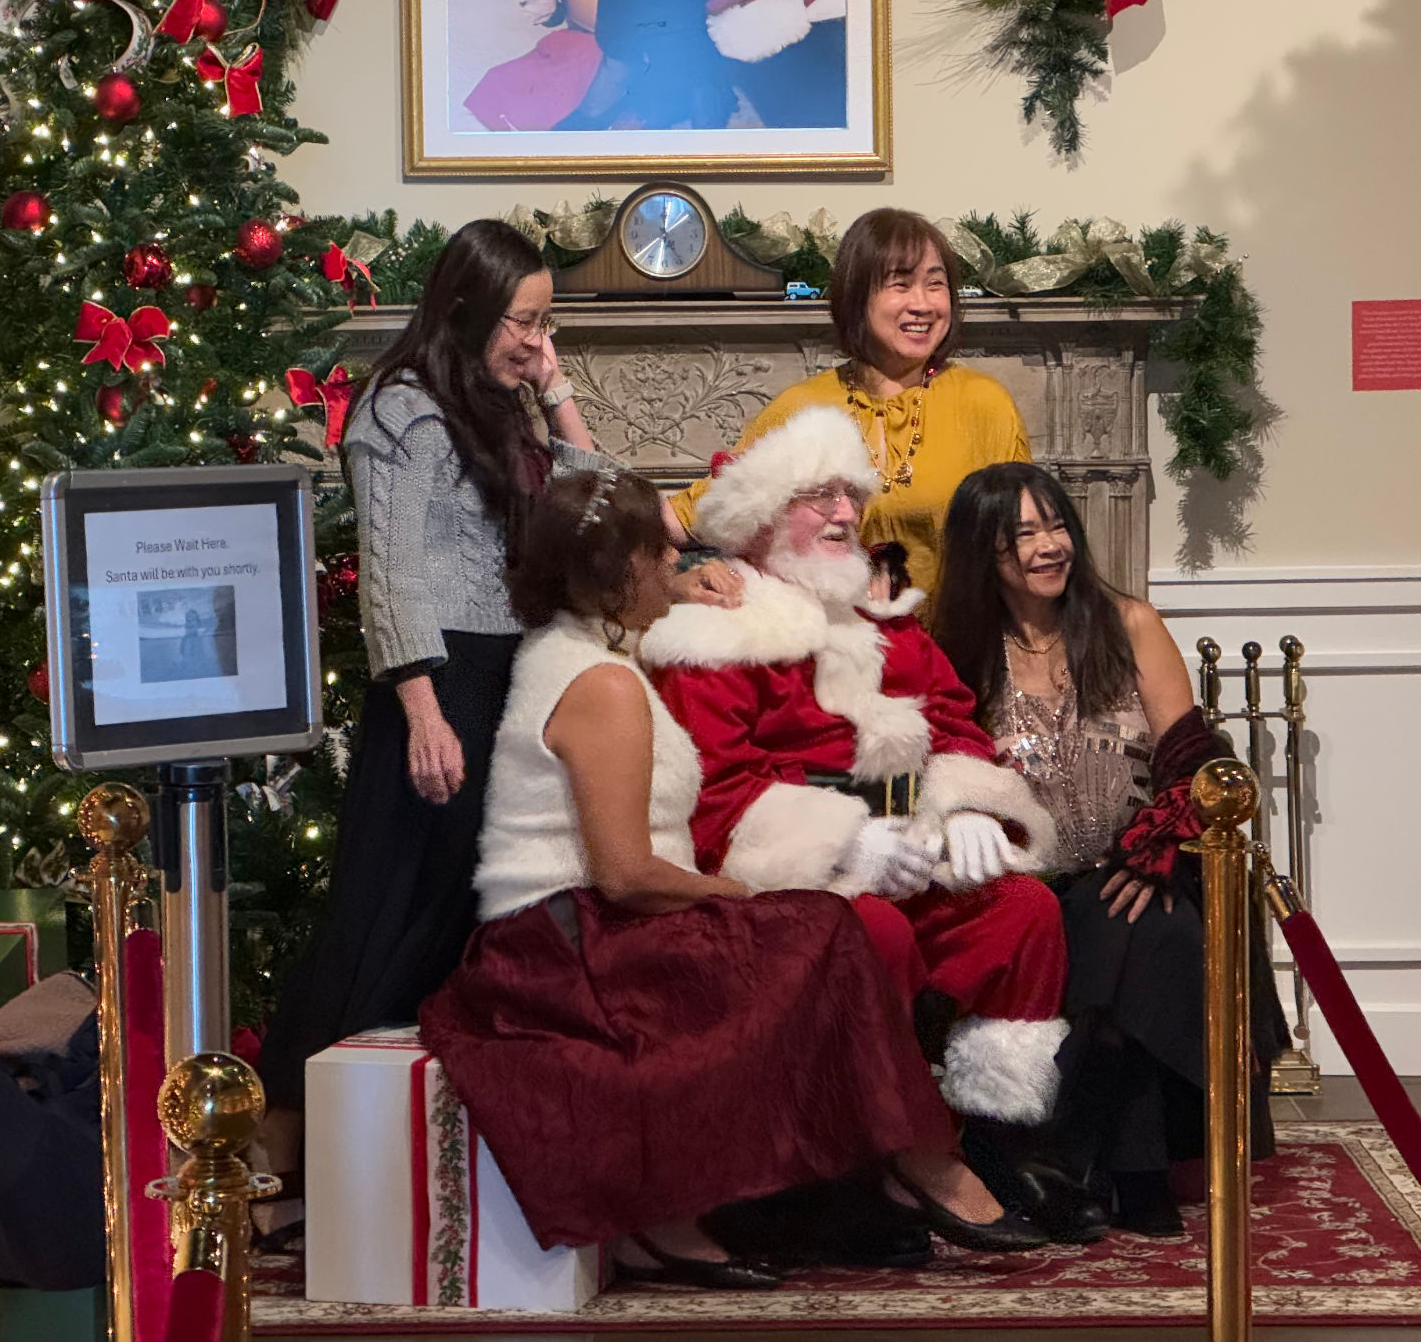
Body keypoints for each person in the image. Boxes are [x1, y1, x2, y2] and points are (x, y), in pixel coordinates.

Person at [420, 468, 1044, 1291]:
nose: (681, 569)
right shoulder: (604, 684)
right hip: (563, 941)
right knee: (827, 931)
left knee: (828, 929)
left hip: (589, 921)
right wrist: (745, 900)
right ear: (621, 572)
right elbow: (624, 873)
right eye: (663, 555)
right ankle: (904, 1163)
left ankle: (894, 1163)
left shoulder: (593, 647)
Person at [256, 220, 737, 1212]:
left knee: (451, 914)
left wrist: (553, 386)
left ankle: (388, 1151)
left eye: (546, 321)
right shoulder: (396, 409)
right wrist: (422, 710)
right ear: (468, 308)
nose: (534, 338)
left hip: (499, 669)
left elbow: (600, 501)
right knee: (381, 910)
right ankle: (283, 1139)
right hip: (431, 686)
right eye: (525, 320)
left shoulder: (499, 407)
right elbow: (387, 570)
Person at [642, 406, 1111, 1243]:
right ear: (759, 518)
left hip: (908, 849)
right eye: (818, 496)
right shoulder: (711, 635)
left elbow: (958, 725)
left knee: (1023, 913)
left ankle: (993, 1135)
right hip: (781, 882)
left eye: (851, 496)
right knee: (876, 934)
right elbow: (714, 798)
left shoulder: (883, 619)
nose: (846, 515)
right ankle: (908, 1156)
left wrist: (969, 804)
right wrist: (846, 844)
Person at [929, 463, 1290, 1236]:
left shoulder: (1129, 624)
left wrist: (1151, 848)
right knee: (1112, 924)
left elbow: (1192, 758)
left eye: (1055, 525)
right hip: (1025, 883)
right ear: (980, 553)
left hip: (1142, 864)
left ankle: (1081, 1161)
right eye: (1021, 534)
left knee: (1147, 921)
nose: (1048, 546)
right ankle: (1134, 1173)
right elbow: (938, 771)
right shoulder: (956, 648)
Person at [671, 208, 1031, 597]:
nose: (923, 304)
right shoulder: (804, 407)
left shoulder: (984, 403)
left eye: (935, 284)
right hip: (832, 646)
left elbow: (1024, 540)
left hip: (956, 650)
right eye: (901, 284)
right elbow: (692, 517)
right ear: (857, 296)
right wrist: (675, 582)